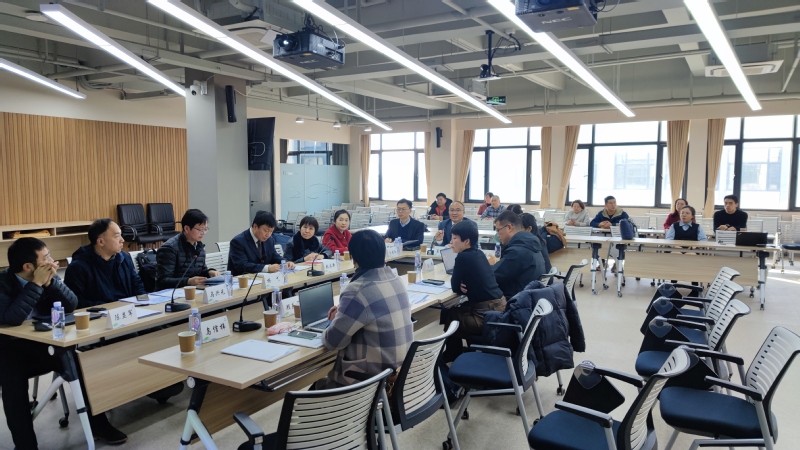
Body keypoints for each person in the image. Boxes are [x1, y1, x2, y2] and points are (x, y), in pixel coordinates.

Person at [0, 238, 127, 448]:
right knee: (12, 381)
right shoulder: (3, 282)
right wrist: (36, 285)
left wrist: (51, 284)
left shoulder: (48, 276)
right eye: (46, 257)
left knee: (78, 364)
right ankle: (25, 444)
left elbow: (71, 304)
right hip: (9, 350)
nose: (52, 261)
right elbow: (11, 318)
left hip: (43, 344)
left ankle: (98, 425)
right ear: (28, 267)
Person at [317, 229, 413, 389]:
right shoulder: (395, 279)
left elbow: (333, 342)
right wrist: (345, 311)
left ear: (354, 258)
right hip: (399, 371)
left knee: (313, 389)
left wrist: (332, 321)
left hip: (369, 381)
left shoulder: (357, 290)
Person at [441, 221, 506, 361]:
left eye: (455, 238)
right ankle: (462, 351)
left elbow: (455, 287)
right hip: (500, 308)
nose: (451, 241)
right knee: (457, 310)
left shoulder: (463, 257)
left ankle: (453, 354)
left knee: (451, 314)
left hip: (485, 315)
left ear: (466, 241)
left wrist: (460, 285)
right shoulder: (479, 253)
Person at [65, 219, 145, 308]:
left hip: (128, 310)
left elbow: (137, 284)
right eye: (117, 236)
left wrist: (143, 302)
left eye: (121, 235)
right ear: (101, 242)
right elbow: (76, 301)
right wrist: (108, 307)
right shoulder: (78, 267)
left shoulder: (124, 258)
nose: (122, 240)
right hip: (100, 313)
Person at [156, 209, 220, 290]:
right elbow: (163, 281)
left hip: (193, 290)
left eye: (205, 229)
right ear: (186, 228)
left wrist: (210, 272)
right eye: (200, 229)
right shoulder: (169, 249)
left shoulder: (199, 246)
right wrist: (188, 281)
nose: (203, 233)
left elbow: (201, 271)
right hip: (172, 293)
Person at [488, 211, 546, 300]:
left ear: (509, 227)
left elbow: (492, 276)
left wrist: (484, 266)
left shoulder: (516, 251)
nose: (497, 235)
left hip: (515, 301)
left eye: (498, 230)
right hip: (528, 298)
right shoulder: (530, 244)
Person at [227, 210, 296, 276]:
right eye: (266, 230)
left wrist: (285, 262)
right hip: (243, 281)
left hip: (264, 279)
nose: (268, 234)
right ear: (255, 227)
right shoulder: (238, 242)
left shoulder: (269, 240)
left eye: (271, 231)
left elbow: (274, 256)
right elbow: (242, 266)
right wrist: (267, 268)